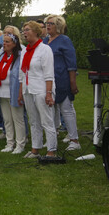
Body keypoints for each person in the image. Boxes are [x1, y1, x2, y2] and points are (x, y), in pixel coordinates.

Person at [19, 21, 56, 158]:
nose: (24, 32)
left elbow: (48, 73)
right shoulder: (25, 51)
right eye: (23, 30)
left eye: (27, 30)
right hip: (28, 90)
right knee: (33, 121)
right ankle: (36, 148)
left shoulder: (45, 49)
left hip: (41, 89)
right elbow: (22, 74)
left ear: (35, 32)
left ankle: (51, 150)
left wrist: (48, 93)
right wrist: (21, 92)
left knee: (46, 120)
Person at [43, 15, 80, 151]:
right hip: (48, 81)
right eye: (47, 23)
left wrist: (72, 81)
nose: (48, 25)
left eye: (51, 23)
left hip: (62, 79)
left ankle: (74, 140)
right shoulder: (45, 41)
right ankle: (52, 139)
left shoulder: (64, 40)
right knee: (50, 111)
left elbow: (71, 63)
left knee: (66, 110)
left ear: (58, 25)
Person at [0, 33, 26, 154]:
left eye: (7, 42)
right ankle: (9, 143)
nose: (4, 44)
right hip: (2, 92)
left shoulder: (19, 57)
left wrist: (20, 93)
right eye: (4, 41)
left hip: (14, 92)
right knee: (7, 120)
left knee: (18, 119)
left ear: (14, 44)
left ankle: (20, 144)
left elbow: (20, 74)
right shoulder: (2, 56)